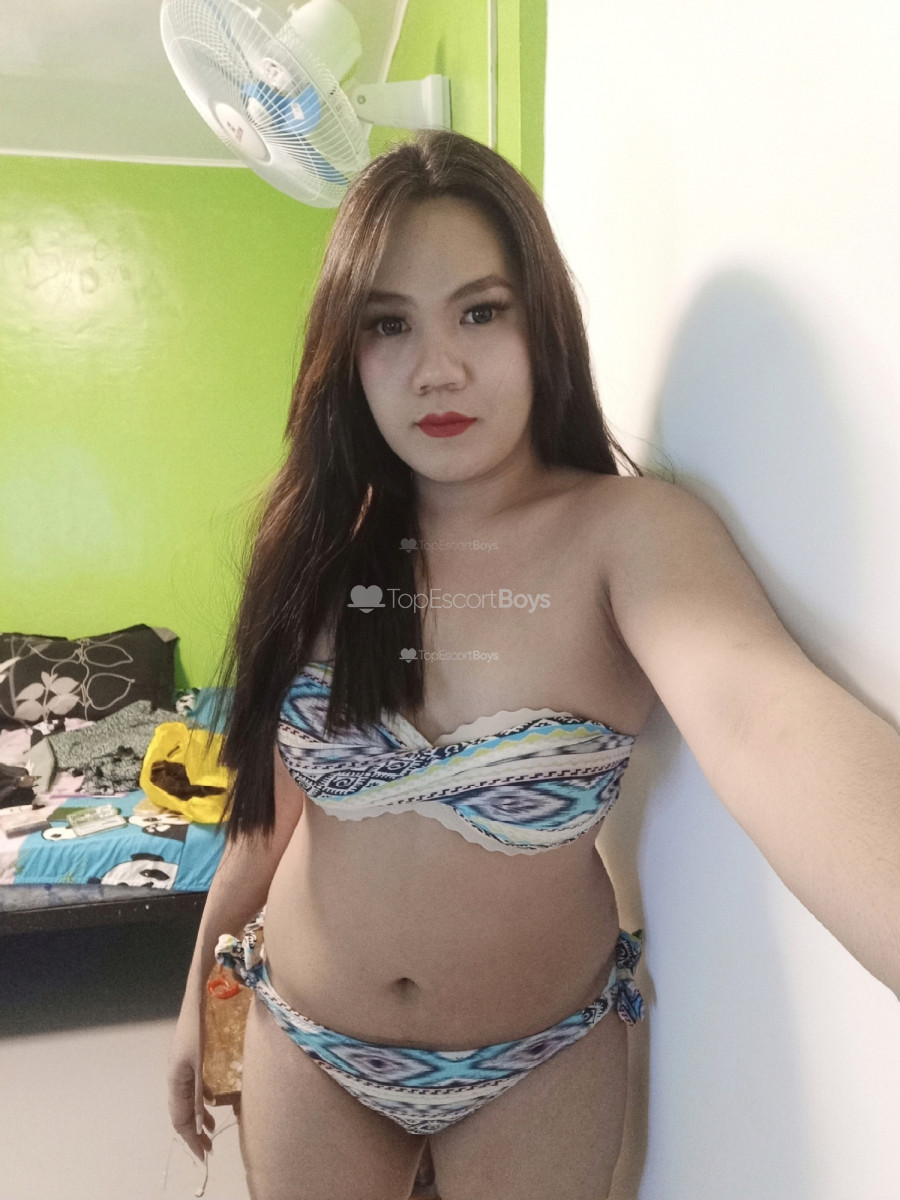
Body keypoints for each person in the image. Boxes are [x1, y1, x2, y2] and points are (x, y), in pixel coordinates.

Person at [168, 129, 900, 1200]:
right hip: (307, 1042)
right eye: (388, 324)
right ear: (346, 350)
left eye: (480, 311)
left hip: (538, 1063)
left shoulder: (627, 536)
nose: (439, 369)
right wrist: (198, 987)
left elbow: (763, 715)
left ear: (541, 321)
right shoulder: (317, 554)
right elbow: (266, 815)